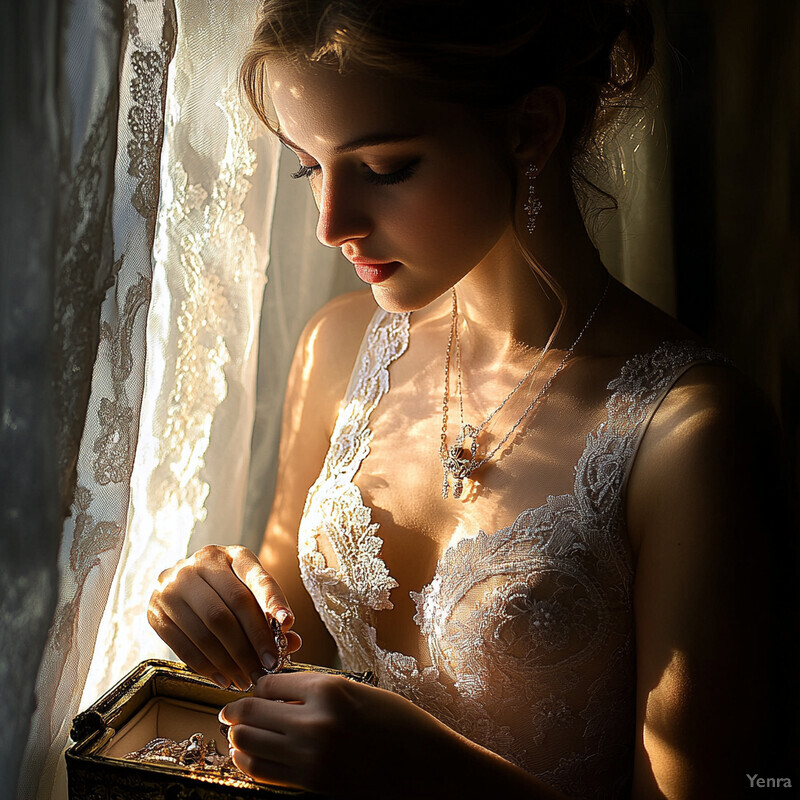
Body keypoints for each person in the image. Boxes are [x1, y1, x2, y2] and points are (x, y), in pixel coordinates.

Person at [147, 1, 793, 797]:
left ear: (528, 130)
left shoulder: (691, 435)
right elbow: (292, 652)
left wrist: (425, 772)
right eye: (308, 167)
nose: (330, 224)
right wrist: (224, 603)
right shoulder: (337, 349)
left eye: (384, 168)